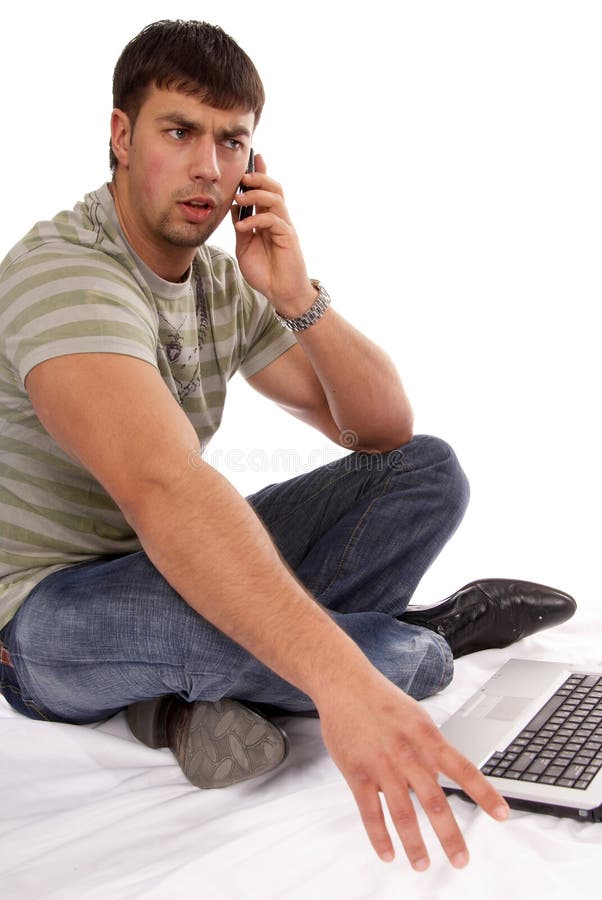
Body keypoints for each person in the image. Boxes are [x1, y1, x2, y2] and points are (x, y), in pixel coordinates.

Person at [0, 19, 575, 872]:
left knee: (427, 475)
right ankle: (402, 637)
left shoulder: (221, 278)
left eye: (232, 142)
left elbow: (381, 430)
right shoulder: (66, 274)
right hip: (42, 619)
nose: (208, 166)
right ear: (120, 136)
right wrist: (342, 683)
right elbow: (163, 488)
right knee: (397, 661)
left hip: (168, 564)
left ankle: (178, 701)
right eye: (180, 132)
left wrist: (297, 291)